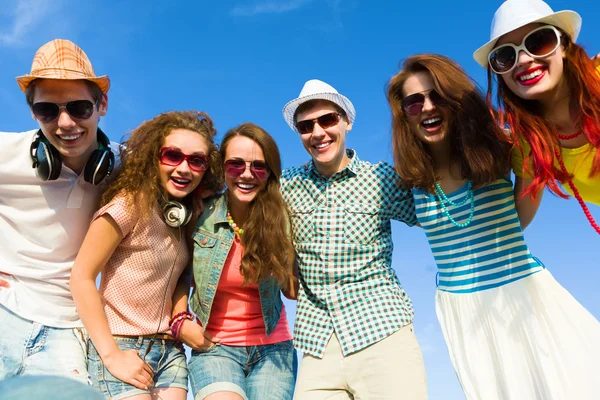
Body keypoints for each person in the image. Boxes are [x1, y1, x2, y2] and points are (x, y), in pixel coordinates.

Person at [387, 53, 600, 400]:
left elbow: (520, 216)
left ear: (456, 101)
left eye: (438, 96)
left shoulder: (499, 149)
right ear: (404, 116)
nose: (427, 107)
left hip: (524, 292)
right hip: (463, 311)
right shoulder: (407, 181)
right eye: (414, 102)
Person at [280, 79, 428, 399]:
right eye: (306, 126)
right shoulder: (286, 187)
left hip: (383, 335)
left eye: (328, 120)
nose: (317, 132)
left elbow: (434, 215)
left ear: (346, 121)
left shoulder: (382, 178)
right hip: (317, 347)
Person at [70, 111, 222, 400]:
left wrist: (180, 317)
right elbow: (81, 278)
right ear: (155, 157)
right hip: (122, 344)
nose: (184, 168)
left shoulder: (185, 216)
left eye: (196, 160)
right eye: (173, 156)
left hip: (170, 352)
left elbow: (183, 276)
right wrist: (112, 355)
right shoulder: (128, 205)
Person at [0, 39, 118, 383]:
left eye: (80, 108)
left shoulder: (128, 165)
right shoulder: (8, 152)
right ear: (33, 112)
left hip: (70, 328)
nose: (65, 123)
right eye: (48, 111)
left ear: (102, 104)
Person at [172, 123, 298, 400]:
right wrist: (180, 321)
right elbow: (178, 274)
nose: (247, 174)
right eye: (235, 165)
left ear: (270, 173)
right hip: (215, 347)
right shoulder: (200, 215)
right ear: (222, 168)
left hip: (274, 349)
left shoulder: (283, 219)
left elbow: (292, 290)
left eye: (259, 166)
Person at [473, 0, 600, 233]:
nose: (523, 61)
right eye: (505, 56)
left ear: (564, 46)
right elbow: (517, 220)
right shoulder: (529, 143)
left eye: (538, 42)